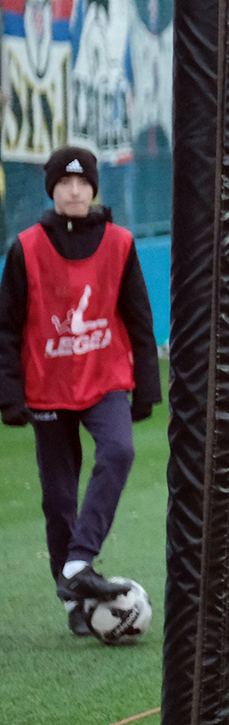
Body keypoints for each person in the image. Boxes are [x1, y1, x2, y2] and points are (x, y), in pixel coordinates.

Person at [0, 147, 160, 636]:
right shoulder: (25, 247)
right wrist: (9, 393)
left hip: (104, 379)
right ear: (52, 189)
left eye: (83, 183)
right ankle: (76, 601)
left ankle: (78, 563)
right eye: (65, 183)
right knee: (57, 499)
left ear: (94, 189)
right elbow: (6, 327)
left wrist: (147, 387)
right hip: (47, 388)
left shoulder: (121, 243)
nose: (74, 191)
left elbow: (138, 318)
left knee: (119, 450)